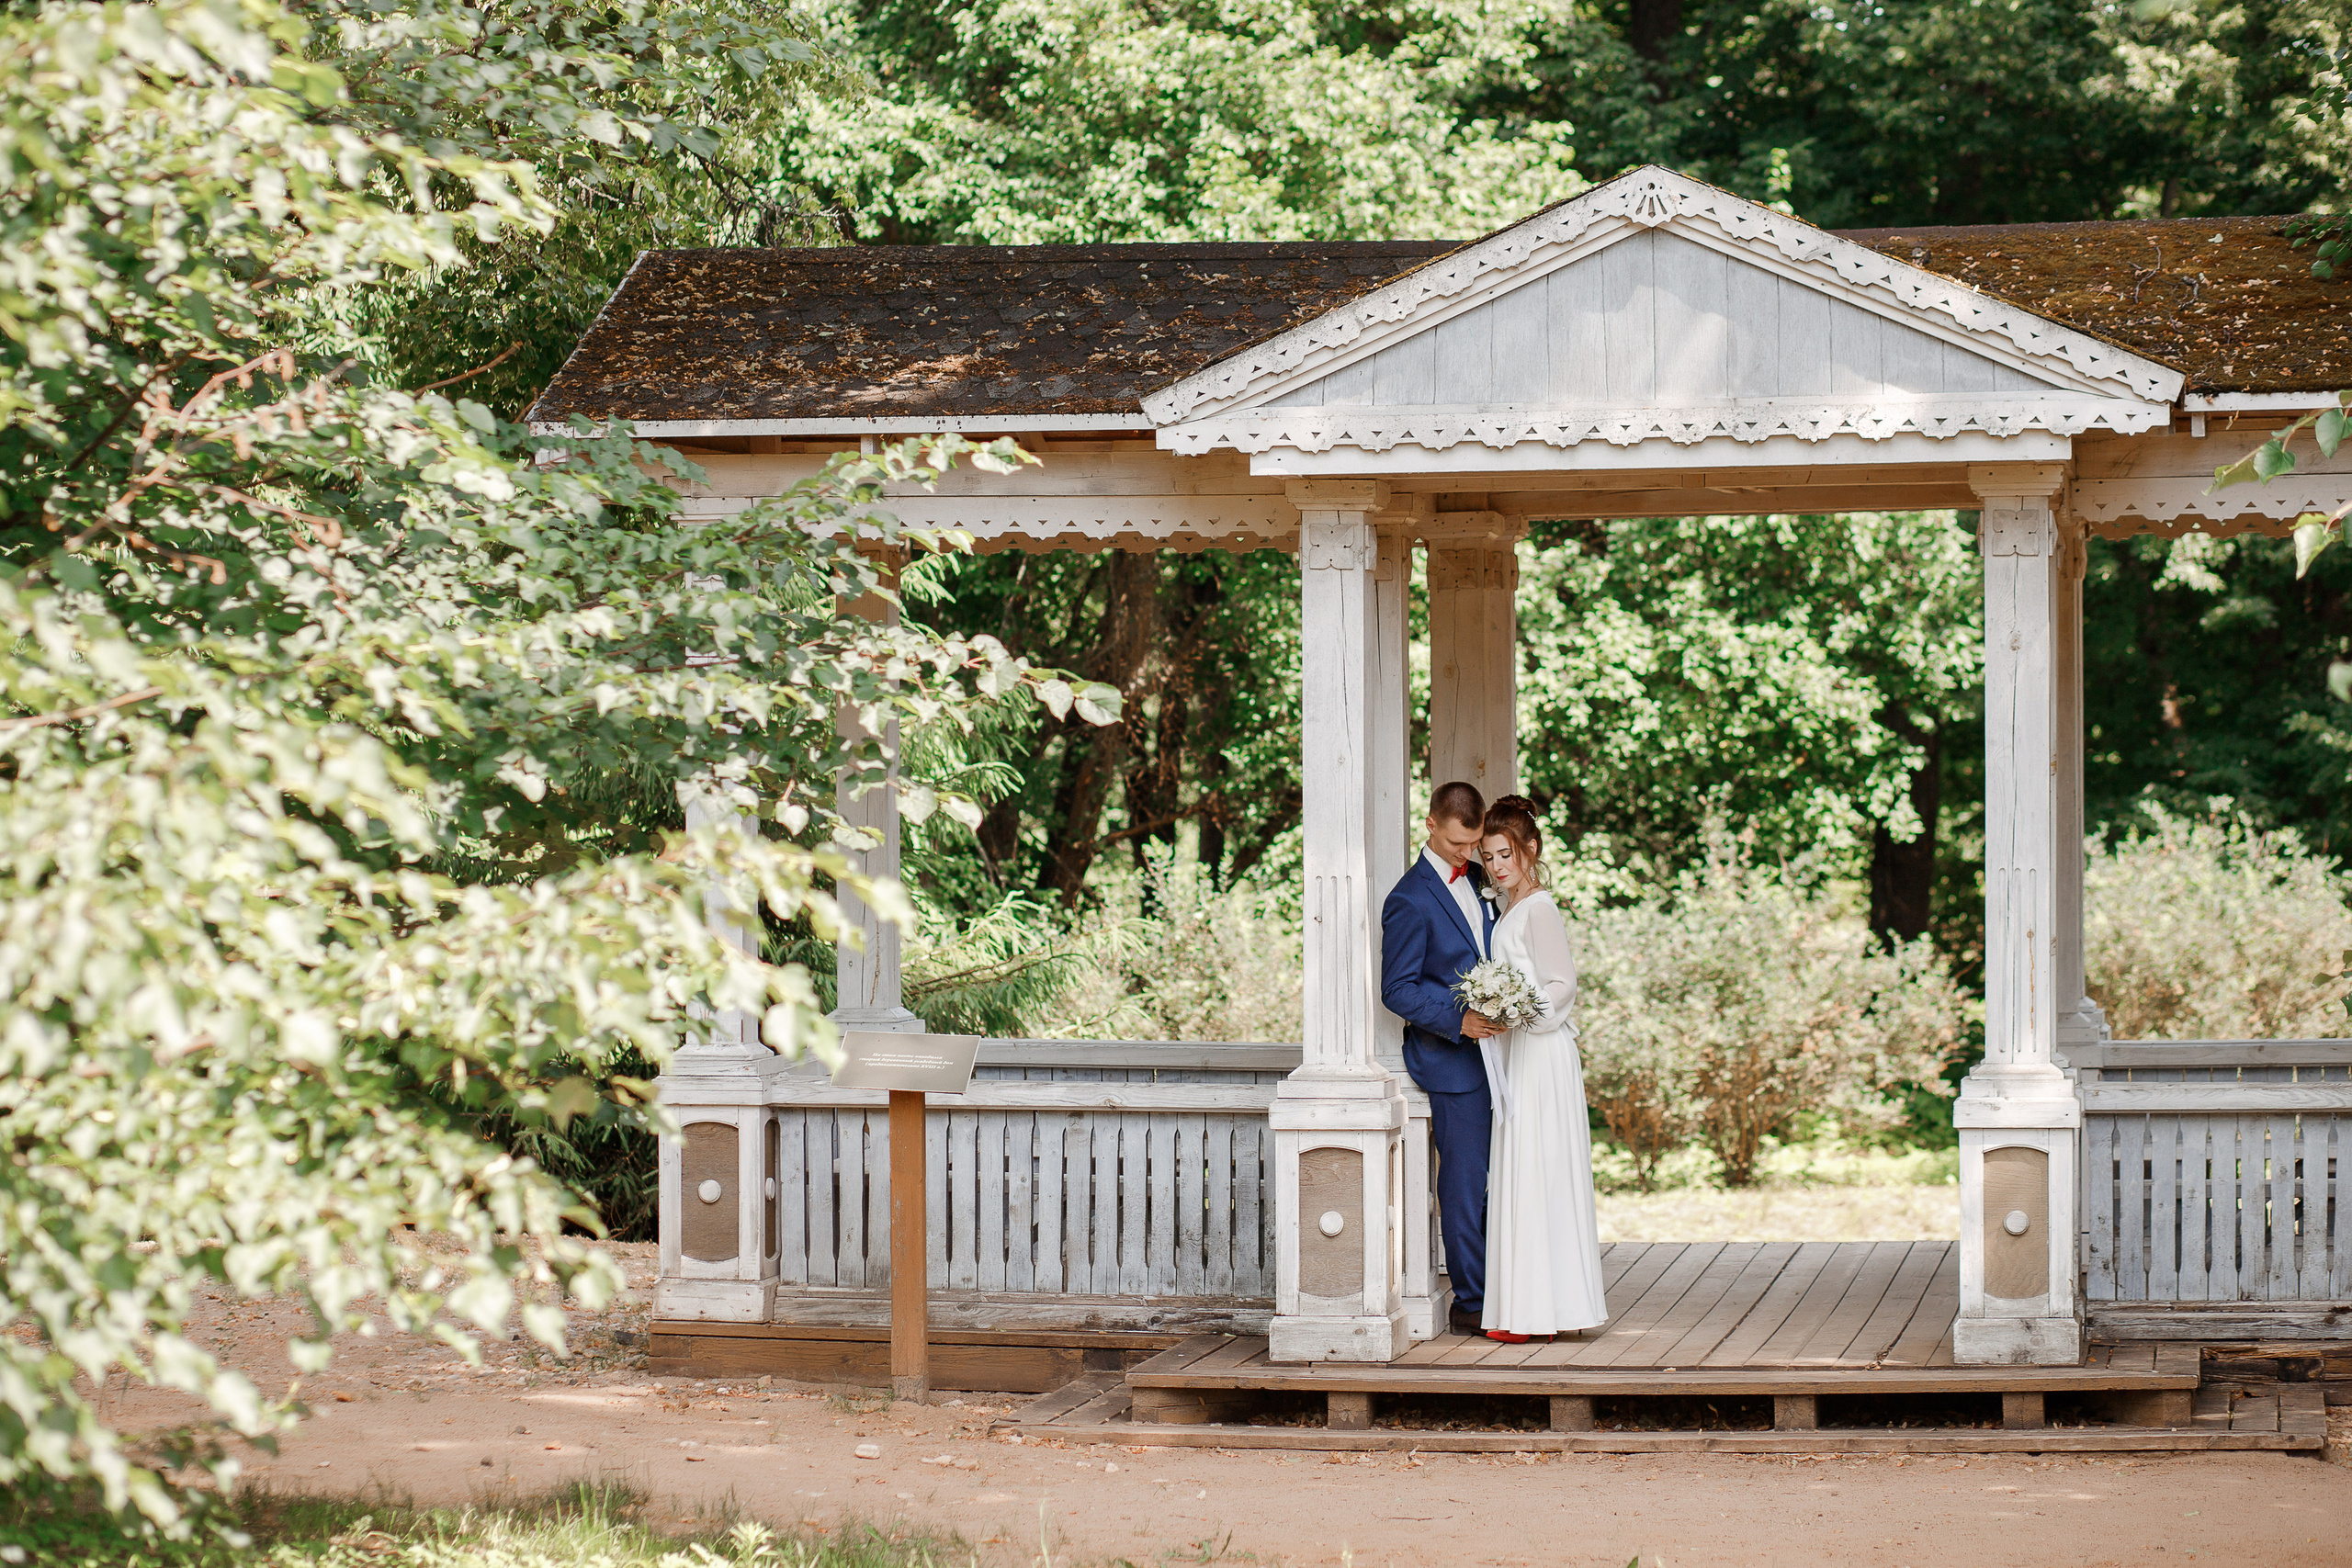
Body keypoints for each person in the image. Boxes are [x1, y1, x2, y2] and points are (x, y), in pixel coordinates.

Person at [1476, 795, 1608, 1342]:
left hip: (1541, 1051)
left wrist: (1518, 1012)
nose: (1497, 866)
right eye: (1487, 857)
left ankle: (1545, 1312)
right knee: (1521, 1169)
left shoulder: (1540, 908)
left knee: (1540, 1168)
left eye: (1505, 853)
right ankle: (1528, 1309)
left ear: (1530, 849)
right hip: (1516, 1051)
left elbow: (1562, 983)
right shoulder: (1506, 908)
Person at [1379, 781, 1503, 1334]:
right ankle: (1471, 1301)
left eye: (1474, 844)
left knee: (1504, 1177)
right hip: (1452, 1061)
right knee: (1462, 1182)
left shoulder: (1480, 881)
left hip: (1502, 1055)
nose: (1468, 854)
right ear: (1430, 825)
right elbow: (1399, 989)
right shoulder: (1408, 899)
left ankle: (1507, 1283)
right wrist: (1460, 1020)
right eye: (1458, 844)